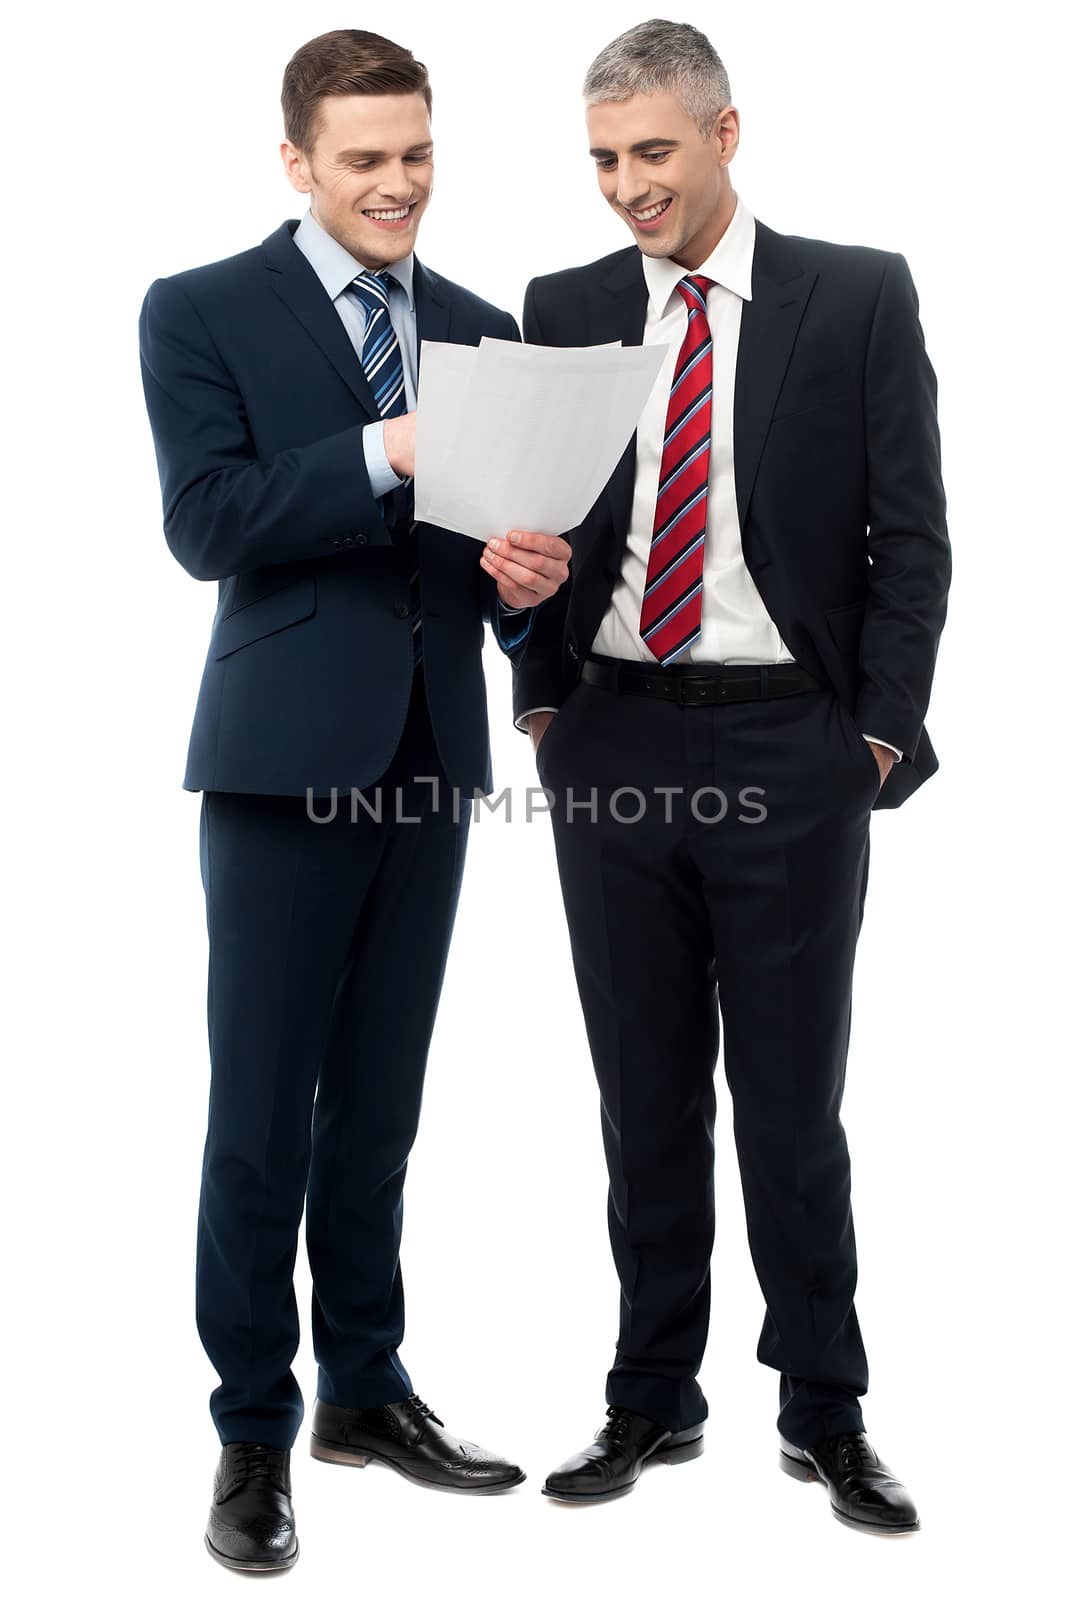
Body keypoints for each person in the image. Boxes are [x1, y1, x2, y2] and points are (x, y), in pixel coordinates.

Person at [139, 28, 570, 1574]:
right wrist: (382, 447)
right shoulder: (198, 309)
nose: (398, 185)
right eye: (365, 159)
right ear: (297, 166)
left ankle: (365, 1393)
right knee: (259, 1115)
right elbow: (207, 522)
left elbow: (484, 569)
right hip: (276, 762)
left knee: (376, 1111)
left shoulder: (476, 324)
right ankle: (253, 1430)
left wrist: (526, 586)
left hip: (431, 757)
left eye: (418, 153)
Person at [512, 20, 949, 1533]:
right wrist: (542, 692)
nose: (626, 186)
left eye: (651, 152)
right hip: (614, 735)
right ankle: (650, 1399)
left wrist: (874, 742)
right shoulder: (560, 306)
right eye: (603, 159)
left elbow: (913, 539)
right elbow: (533, 535)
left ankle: (824, 1412)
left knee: (787, 1101)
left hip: (789, 745)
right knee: (641, 1099)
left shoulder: (853, 292)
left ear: (724, 135)